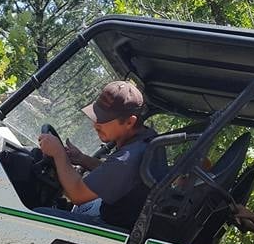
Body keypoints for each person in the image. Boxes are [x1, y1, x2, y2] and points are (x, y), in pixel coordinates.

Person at [37, 81, 166, 229]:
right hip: (122, 220)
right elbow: (116, 173)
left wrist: (58, 153)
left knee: (37, 215)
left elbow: (78, 195)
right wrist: (82, 159)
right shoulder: (145, 140)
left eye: (104, 119)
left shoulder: (130, 156)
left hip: (115, 229)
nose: (95, 124)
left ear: (130, 121)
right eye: (96, 116)